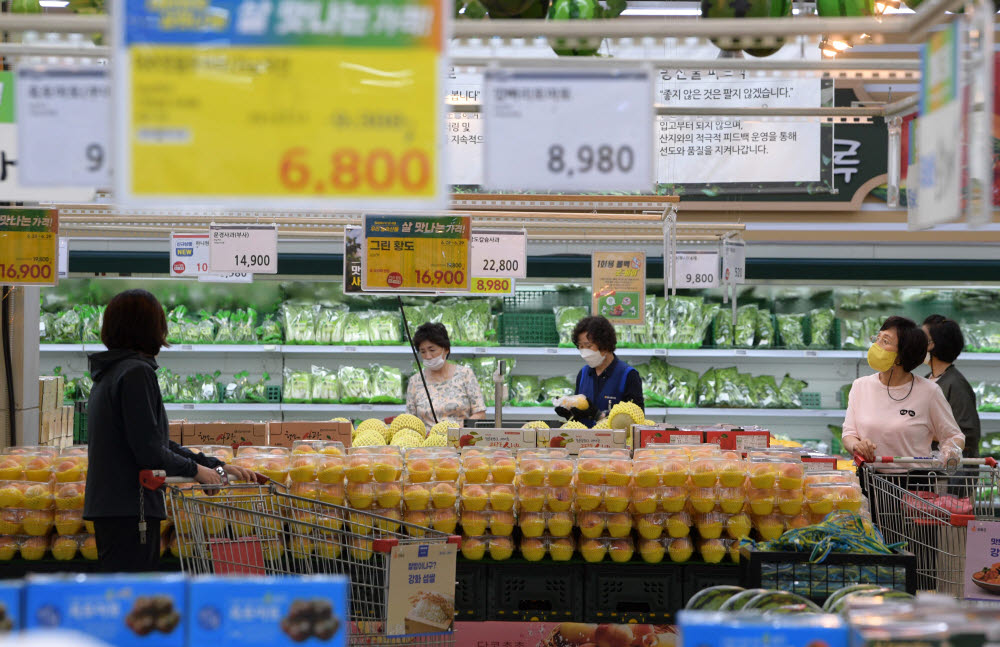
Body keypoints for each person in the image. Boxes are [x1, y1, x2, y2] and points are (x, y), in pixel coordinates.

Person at [84, 289, 255, 572]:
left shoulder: (111, 372)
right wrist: (196, 471)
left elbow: (153, 440)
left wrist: (213, 465)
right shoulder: (136, 373)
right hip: (131, 510)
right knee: (135, 601)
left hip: (115, 508)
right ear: (151, 328)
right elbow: (149, 450)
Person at [842, 315, 965, 462]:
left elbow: (954, 436)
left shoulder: (929, 392)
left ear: (902, 354)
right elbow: (848, 434)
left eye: (885, 341)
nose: (876, 345)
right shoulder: (860, 386)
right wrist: (857, 445)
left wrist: (949, 452)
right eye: (877, 338)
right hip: (869, 478)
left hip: (912, 480)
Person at [563, 315, 644, 427]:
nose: (584, 352)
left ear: (605, 344)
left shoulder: (628, 375)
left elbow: (637, 420)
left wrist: (598, 415)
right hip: (584, 441)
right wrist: (570, 414)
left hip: (615, 442)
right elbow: (578, 419)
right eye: (580, 347)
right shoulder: (583, 374)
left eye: (588, 346)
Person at [406, 322, 486, 426]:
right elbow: (410, 420)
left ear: (446, 349)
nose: (428, 356)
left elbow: (480, 414)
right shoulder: (415, 381)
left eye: (432, 350)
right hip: (428, 440)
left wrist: (459, 431)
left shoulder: (465, 375)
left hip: (460, 439)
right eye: (423, 351)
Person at [923, 315, 980, 457]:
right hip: (929, 468)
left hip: (951, 473)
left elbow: (968, 434)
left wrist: (922, 431)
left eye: (921, 338)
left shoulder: (956, 385)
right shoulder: (925, 380)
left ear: (933, 344)